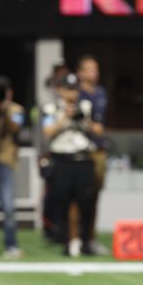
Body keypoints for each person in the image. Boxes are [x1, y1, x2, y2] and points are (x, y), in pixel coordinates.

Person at [41, 73, 103, 256]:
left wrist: (85, 120)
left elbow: (99, 130)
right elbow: (48, 132)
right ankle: (68, 241)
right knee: (62, 202)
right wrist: (64, 118)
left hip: (83, 159)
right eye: (68, 89)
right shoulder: (51, 108)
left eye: (75, 89)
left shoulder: (86, 106)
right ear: (60, 89)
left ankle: (86, 241)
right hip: (62, 160)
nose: (71, 93)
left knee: (86, 201)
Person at [77, 55, 109, 254]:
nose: (95, 73)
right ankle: (74, 238)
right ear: (80, 73)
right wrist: (89, 125)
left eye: (96, 69)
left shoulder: (101, 93)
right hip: (79, 151)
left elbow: (101, 124)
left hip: (97, 150)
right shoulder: (75, 93)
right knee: (77, 197)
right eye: (90, 69)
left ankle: (91, 237)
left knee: (95, 196)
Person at [0, 76, 25, 258]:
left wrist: (4, 111)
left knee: (8, 205)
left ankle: (11, 244)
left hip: (5, 161)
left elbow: (15, 129)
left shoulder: (16, 110)